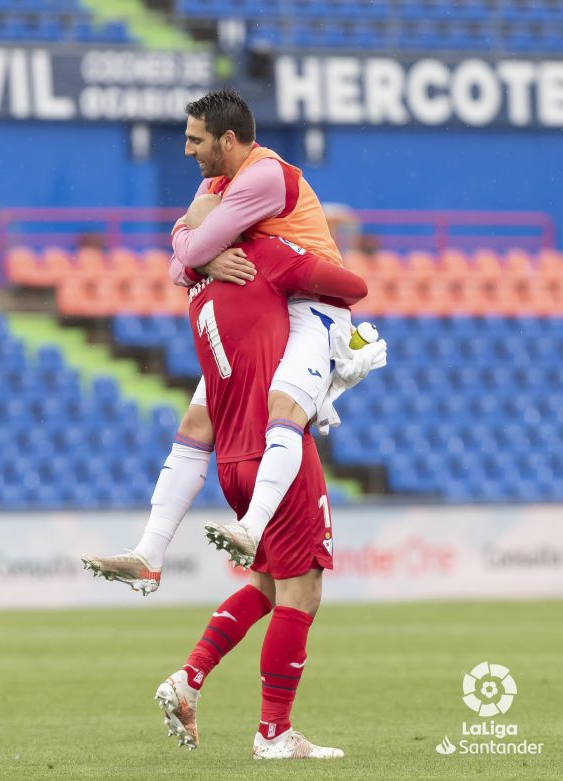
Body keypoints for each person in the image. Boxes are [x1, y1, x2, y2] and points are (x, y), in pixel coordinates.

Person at [82, 90, 381, 594]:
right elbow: (179, 264)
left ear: (228, 138)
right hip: (269, 304)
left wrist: (200, 250)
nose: (185, 150)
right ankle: (149, 554)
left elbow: (192, 246)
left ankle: (252, 526)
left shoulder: (264, 174)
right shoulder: (220, 181)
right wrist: (201, 254)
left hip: (312, 307)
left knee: (283, 405)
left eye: (194, 139)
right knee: (197, 420)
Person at [153, 194, 370, 759]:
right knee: (305, 587)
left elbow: (196, 418)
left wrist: (191, 255)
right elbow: (352, 285)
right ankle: (274, 732)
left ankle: (189, 677)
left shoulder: (205, 294)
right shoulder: (267, 261)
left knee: (268, 584)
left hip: (233, 455)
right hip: (278, 448)